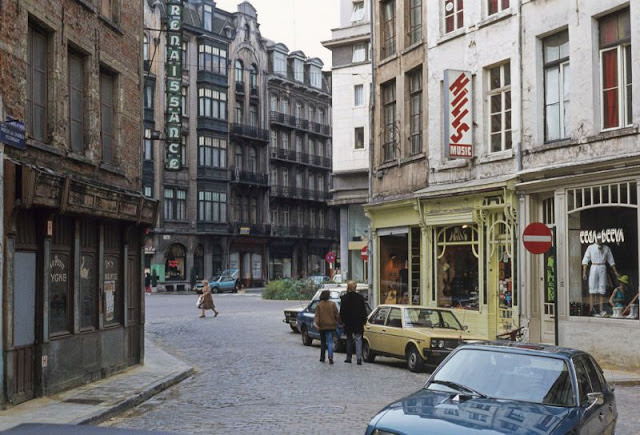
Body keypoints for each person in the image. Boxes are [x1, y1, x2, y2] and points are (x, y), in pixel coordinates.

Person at [582, 236, 618, 316]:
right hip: (594, 266)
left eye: (601, 239)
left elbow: (611, 260)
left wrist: (615, 272)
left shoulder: (606, 248)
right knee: (592, 288)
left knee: (602, 288)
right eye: (598, 239)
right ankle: (591, 309)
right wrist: (584, 272)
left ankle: (601, 309)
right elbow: (586, 259)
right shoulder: (590, 247)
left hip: (602, 267)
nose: (599, 241)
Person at [339, 281, 368, 365]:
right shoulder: (360, 297)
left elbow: (342, 311)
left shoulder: (344, 298)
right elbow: (363, 310)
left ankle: (349, 357)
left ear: (348, 287)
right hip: (358, 322)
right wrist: (364, 320)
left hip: (348, 322)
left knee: (349, 339)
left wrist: (342, 321)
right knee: (358, 339)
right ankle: (359, 358)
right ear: (355, 288)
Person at [313, 289, 339, 364]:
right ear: (328, 296)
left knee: (323, 342)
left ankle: (322, 357)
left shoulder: (319, 305)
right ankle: (330, 357)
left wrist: (316, 324)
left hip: (322, 326)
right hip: (331, 326)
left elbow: (317, 316)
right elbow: (336, 315)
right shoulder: (332, 304)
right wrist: (339, 322)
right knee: (330, 342)